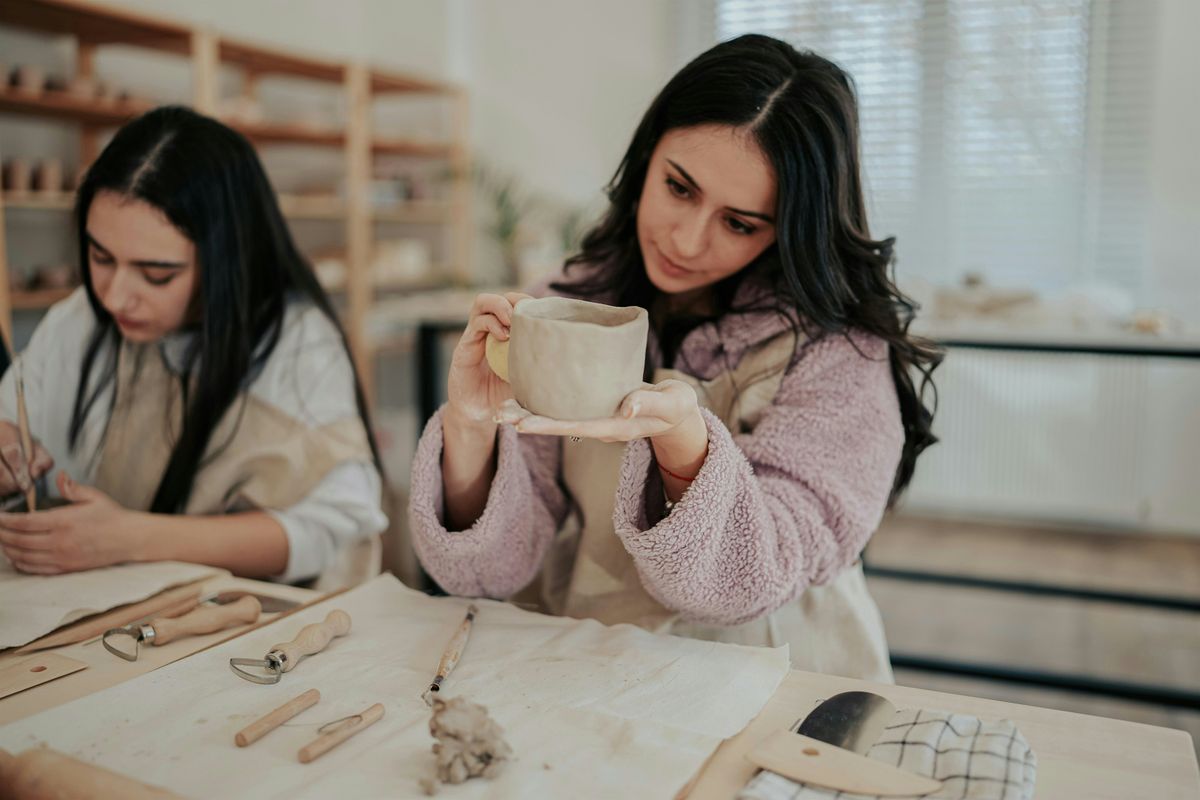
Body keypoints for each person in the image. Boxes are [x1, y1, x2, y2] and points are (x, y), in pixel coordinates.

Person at [409, 34, 941, 680]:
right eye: (679, 188)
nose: (687, 241)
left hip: (775, 676)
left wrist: (685, 447)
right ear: (646, 155)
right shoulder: (564, 309)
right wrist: (470, 428)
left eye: (740, 223)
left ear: (794, 226)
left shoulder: (838, 351)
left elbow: (748, 580)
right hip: (594, 662)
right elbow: (486, 571)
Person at [0, 106, 386, 585]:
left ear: (225, 260)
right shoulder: (79, 319)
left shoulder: (297, 344)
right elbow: (12, 419)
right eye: (100, 257)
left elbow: (332, 526)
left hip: (250, 634)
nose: (116, 295)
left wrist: (130, 538)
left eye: (157, 274)